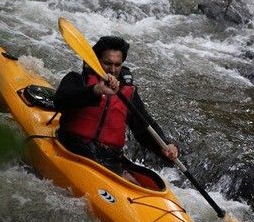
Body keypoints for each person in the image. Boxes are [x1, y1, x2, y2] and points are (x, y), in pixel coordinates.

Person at [53, 35, 178, 181]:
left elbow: (144, 127)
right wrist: (96, 90)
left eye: (117, 64)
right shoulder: (77, 79)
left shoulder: (128, 93)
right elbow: (61, 100)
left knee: (136, 184)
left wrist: (165, 146)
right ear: (96, 61)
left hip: (109, 158)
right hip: (74, 149)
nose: (112, 69)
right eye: (107, 63)